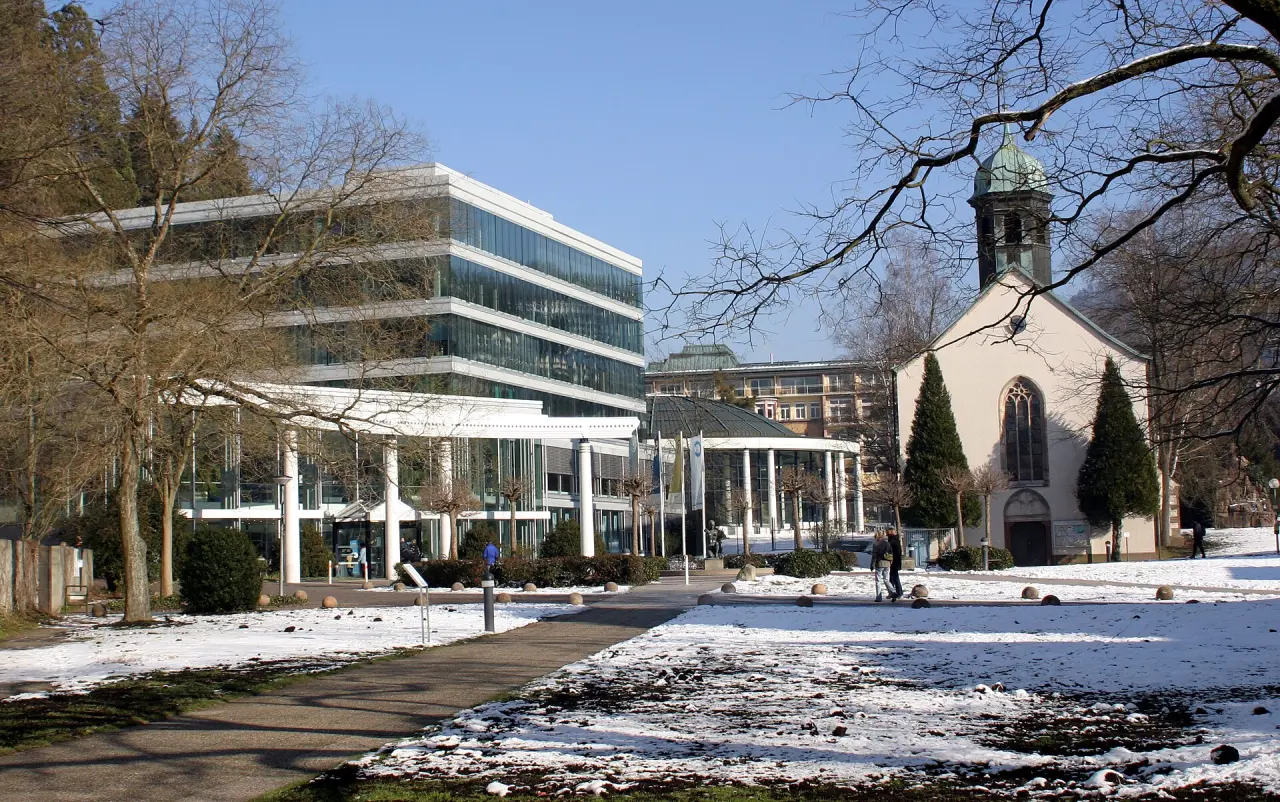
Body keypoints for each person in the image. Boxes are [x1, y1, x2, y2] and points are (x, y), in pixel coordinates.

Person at [871, 531, 891, 602]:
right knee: (886, 579)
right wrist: (890, 561)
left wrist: (872, 564)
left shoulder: (876, 544)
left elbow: (874, 556)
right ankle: (892, 592)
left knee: (878, 581)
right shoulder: (887, 543)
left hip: (879, 563)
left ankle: (879, 597)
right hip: (887, 563)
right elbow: (890, 552)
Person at [887, 527, 905, 601]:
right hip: (895, 561)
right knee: (893, 577)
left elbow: (892, 551)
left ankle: (898, 593)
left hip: (894, 561)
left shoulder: (892, 540)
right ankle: (893, 593)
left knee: (894, 577)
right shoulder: (895, 539)